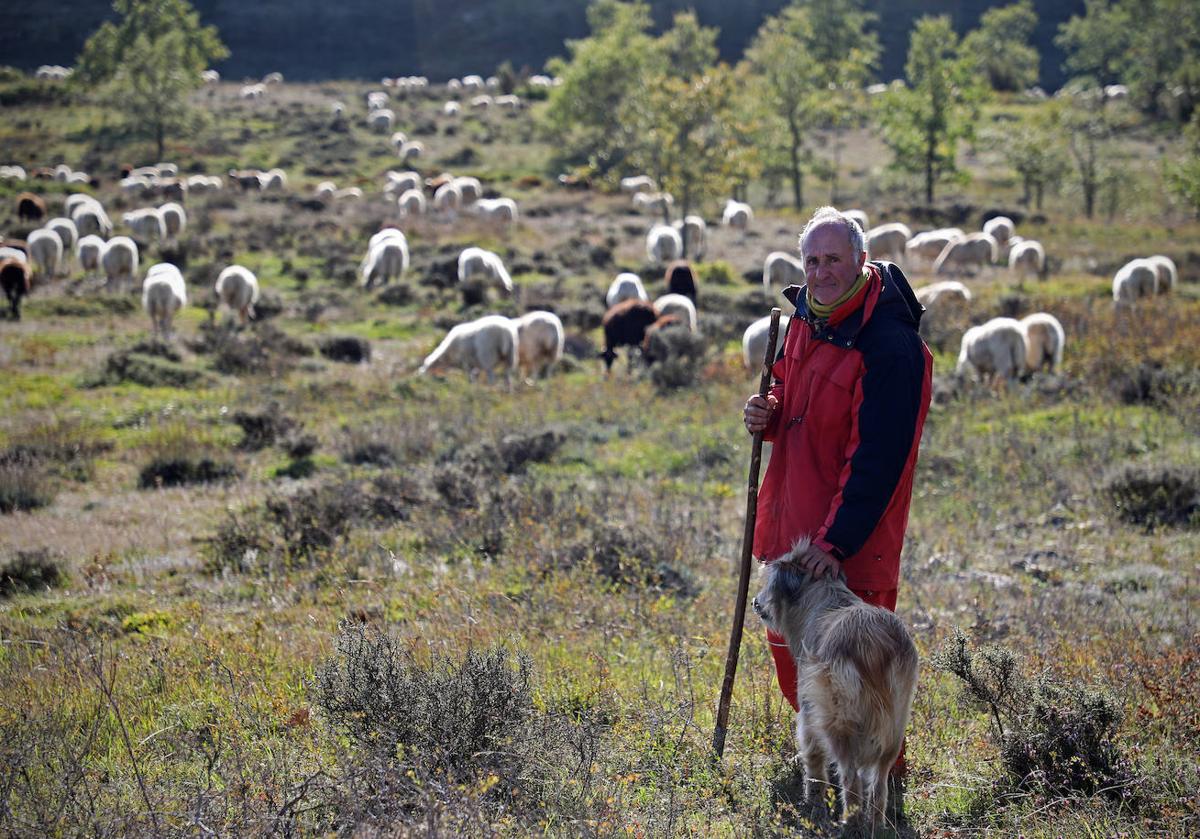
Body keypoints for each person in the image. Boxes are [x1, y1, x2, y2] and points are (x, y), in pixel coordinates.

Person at [743, 206, 932, 817]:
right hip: (792, 526)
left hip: (848, 542)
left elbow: (878, 457)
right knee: (794, 657)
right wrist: (766, 410)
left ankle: (883, 803)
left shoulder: (889, 345)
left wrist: (835, 543)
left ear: (861, 260)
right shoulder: (808, 318)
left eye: (833, 260)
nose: (821, 272)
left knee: (863, 675)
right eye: (812, 260)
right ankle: (826, 779)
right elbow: (788, 388)